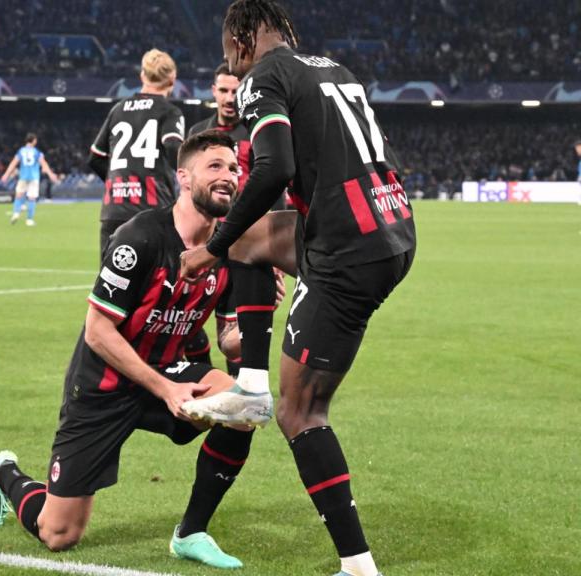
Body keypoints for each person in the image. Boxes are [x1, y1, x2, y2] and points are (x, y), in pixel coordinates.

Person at [178, 2, 416, 575]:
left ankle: (358, 567)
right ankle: (251, 384)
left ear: (240, 39)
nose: (229, 65)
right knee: (249, 241)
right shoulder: (334, 69)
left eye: (228, 51)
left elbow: (275, 167)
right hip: (391, 226)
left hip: (347, 250)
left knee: (302, 412)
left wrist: (209, 248)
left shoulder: (264, 75)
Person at [0, 131, 264, 569]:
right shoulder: (141, 237)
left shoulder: (229, 249)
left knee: (244, 407)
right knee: (59, 534)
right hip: (104, 386)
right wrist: (165, 389)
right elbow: (97, 331)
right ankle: (5, 475)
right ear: (184, 177)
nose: (228, 177)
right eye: (215, 167)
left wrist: (255, 314)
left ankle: (191, 532)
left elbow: (227, 339)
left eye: (233, 168)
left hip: (172, 369)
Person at [190, 61, 287, 377]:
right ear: (213, 92)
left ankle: (238, 412)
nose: (230, 98)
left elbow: (275, 190)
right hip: (208, 247)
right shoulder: (197, 134)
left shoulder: (258, 130)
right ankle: (202, 390)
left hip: (246, 248)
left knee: (237, 340)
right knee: (185, 327)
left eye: (236, 90)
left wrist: (274, 254)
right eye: (224, 90)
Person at [88, 49, 185, 258]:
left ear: (142, 75)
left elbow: (95, 157)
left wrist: (121, 181)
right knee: (155, 284)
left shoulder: (119, 109)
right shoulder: (169, 111)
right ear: (173, 79)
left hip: (114, 210)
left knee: (110, 286)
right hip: (153, 210)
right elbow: (172, 147)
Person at [0, 133, 60, 226]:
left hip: (23, 176)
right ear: (34, 141)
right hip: (34, 177)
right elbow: (43, 163)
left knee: (19, 196)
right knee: (32, 198)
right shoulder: (36, 152)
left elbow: (13, 163)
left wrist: (6, 175)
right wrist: (51, 174)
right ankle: (29, 220)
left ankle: (16, 213)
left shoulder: (21, 151)